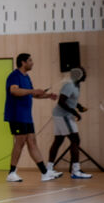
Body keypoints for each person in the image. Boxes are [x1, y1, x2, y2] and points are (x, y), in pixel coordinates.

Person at [4, 53, 62, 183]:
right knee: (20, 142)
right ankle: (11, 173)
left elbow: (33, 94)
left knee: (32, 142)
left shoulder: (27, 77)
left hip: (26, 116)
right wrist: (32, 91)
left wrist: (47, 96)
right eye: (30, 60)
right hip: (16, 114)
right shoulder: (14, 76)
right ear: (23, 62)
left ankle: (44, 172)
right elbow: (14, 91)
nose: (32, 63)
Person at [48, 69, 92, 179]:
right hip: (63, 116)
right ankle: (76, 171)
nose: (86, 74)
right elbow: (61, 101)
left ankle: (49, 169)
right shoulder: (69, 85)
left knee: (58, 141)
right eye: (84, 73)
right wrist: (75, 113)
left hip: (62, 115)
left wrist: (78, 106)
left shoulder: (77, 86)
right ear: (79, 75)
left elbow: (70, 99)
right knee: (75, 140)